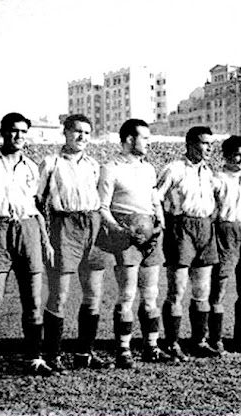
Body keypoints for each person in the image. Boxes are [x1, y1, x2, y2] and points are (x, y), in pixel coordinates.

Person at [0, 112, 55, 378]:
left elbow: (36, 207)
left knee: (33, 300)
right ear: (3, 132)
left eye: (23, 131)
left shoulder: (32, 167)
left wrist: (44, 239)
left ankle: (34, 357)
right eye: (13, 130)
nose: (18, 136)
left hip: (28, 230)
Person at [94, 119, 170, 368]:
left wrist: (160, 221)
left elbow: (154, 198)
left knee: (151, 295)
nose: (148, 142)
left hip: (150, 233)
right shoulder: (111, 168)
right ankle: (123, 350)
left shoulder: (148, 168)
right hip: (125, 233)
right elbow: (102, 207)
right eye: (144, 138)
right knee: (127, 294)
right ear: (129, 139)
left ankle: (152, 346)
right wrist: (119, 229)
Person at [36, 114, 108, 372]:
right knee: (59, 295)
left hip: (93, 224)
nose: (82, 137)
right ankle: (52, 355)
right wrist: (46, 236)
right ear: (64, 132)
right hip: (63, 225)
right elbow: (37, 202)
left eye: (87, 133)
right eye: (77, 131)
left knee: (93, 294)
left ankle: (84, 354)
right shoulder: (50, 163)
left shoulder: (94, 164)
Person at [156, 126, 220, 361]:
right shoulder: (174, 169)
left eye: (211, 144)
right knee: (177, 290)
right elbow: (156, 197)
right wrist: (164, 224)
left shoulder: (208, 172)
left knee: (202, 291)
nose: (209, 148)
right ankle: (172, 343)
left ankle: (198, 341)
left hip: (204, 227)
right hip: (180, 227)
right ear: (191, 144)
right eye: (205, 143)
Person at [210, 136, 241, 354]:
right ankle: (216, 339)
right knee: (219, 289)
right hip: (225, 232)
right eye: (237, 154)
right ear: (226, 155)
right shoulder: (216, 179)